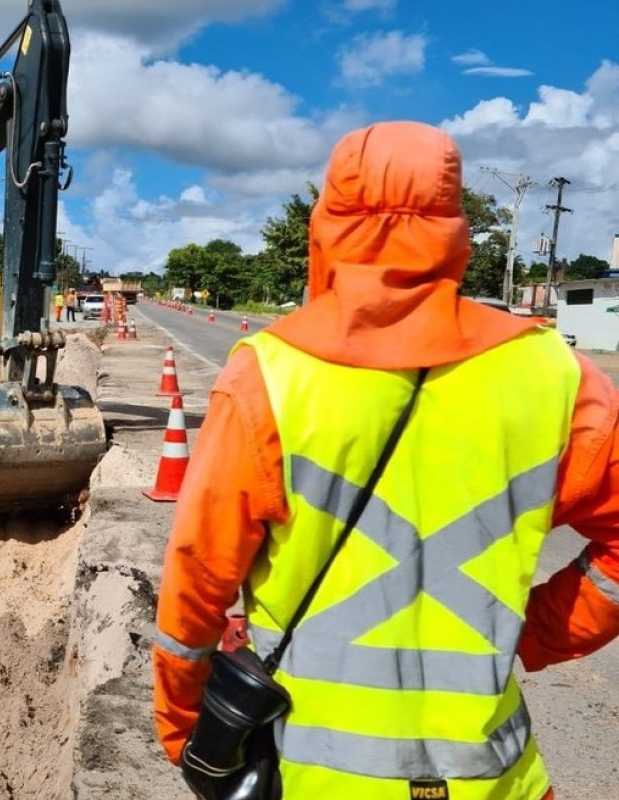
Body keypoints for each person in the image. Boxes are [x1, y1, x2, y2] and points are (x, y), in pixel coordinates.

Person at [153, 121, 619, 800]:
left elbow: (196, 581)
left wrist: (186, 734)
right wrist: (530, 638)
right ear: (455, 228)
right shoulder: (556, 375)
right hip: (499, 781)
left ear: (328, 224)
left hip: (316, 780)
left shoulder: (270, 377)